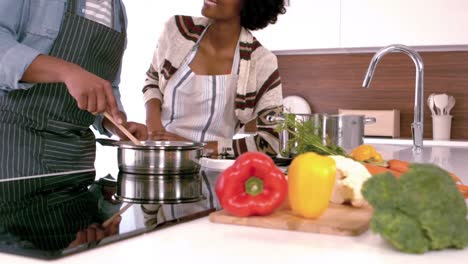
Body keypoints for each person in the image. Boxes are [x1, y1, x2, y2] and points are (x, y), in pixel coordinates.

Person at [141, 0, 286, 221]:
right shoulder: (177, 30)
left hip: (219, 188)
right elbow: (152, 79)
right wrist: (154, 128)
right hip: (157, 176)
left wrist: (195, 149)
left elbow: (272, 141)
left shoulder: (262, 62)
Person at [0, 0, 147, 179]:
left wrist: (118, 126)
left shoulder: (118, 12)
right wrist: (66, 71)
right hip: (14, 157)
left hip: (76, 166)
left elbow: (106, 86)